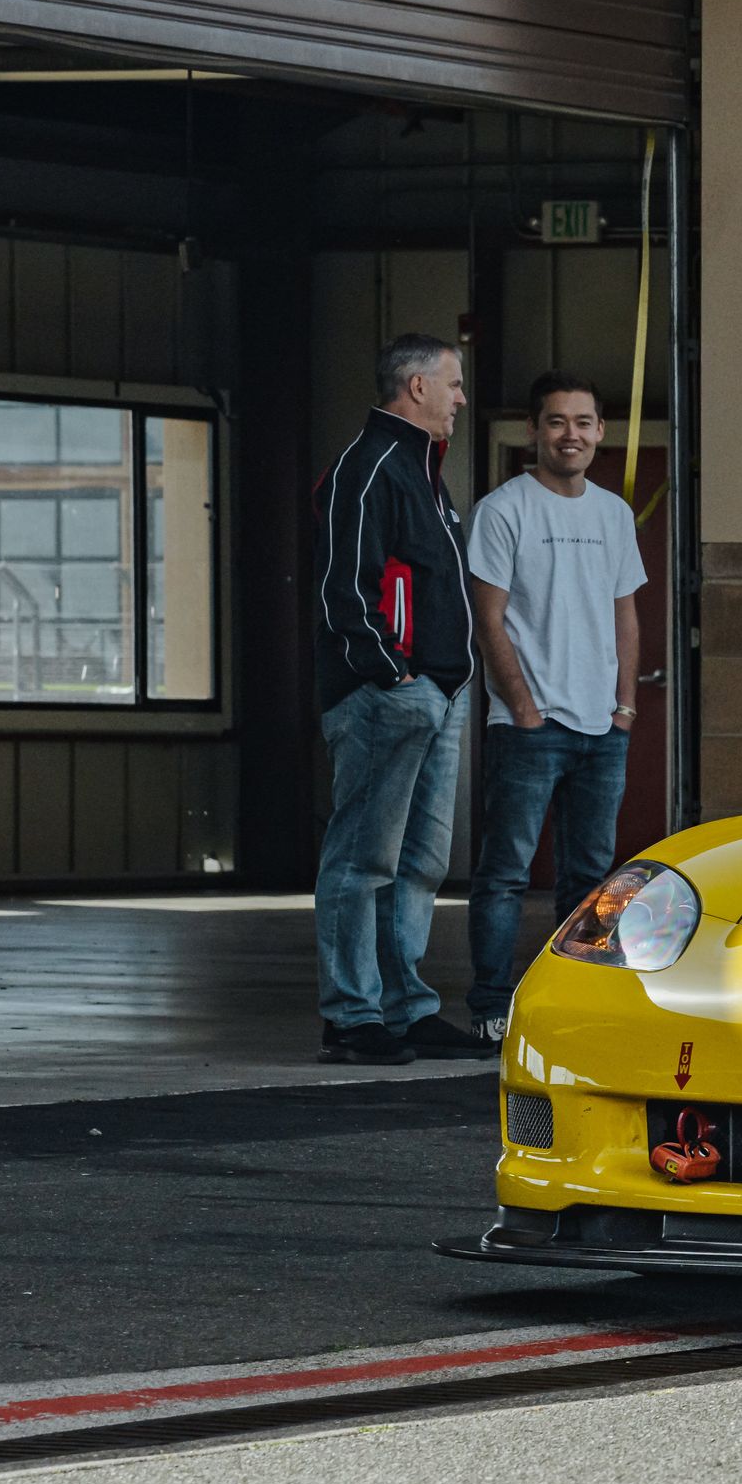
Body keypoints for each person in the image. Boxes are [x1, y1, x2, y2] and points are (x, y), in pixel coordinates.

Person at [310, 334, 487, 1066]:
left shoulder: (423, 471)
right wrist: (393, 673)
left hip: (435, 697)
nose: (461, 398)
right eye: (452, 383)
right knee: (363, 860)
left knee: (418, 864)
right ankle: (353, 1016)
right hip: (391, 698)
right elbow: (343, 588)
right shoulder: (371, 465)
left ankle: (405, 1008)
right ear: (415, 387)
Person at [464, 372, 647, 1042]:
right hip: (528, 728)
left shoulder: (612, 514)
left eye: (583, 422)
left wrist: (624, 707)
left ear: (600, 432)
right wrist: (524, 707)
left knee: (594, 881)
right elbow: (490, 620)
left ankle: (579, 1008)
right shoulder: (503, 510)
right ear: (534, 432)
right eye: (556, 422)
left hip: (603, 728)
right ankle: (490, 1006)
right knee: (505, 873)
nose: (570, 435)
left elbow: (625, 615)